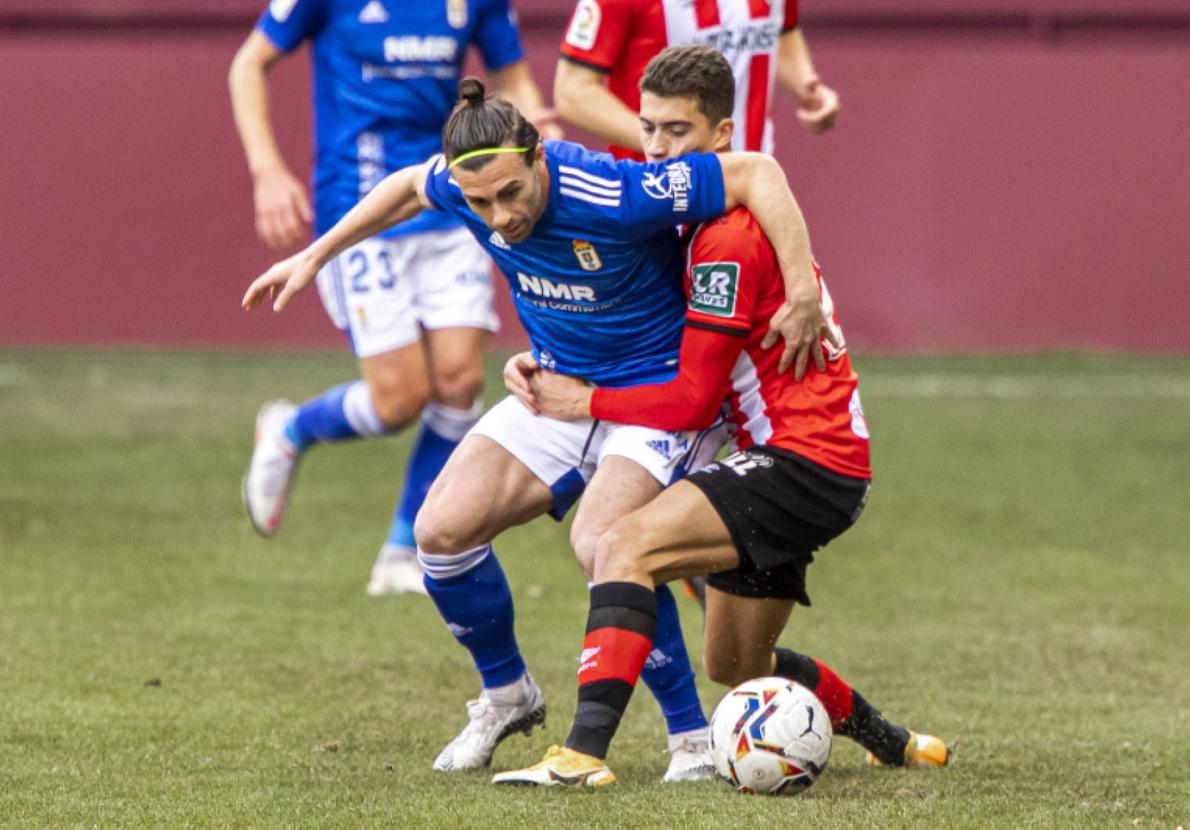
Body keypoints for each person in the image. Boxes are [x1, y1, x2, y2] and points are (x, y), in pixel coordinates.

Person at [242, 78, 833, 779]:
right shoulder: (468, 182)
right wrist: (317, 256)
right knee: (441, 532)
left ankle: (691, 739)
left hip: (652, 402)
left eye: (511, 193)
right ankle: (507, 694)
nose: (499, 216)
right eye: (480, 202)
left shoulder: (615, 191)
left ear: (540, 157)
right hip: (554, 391)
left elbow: (758, 172)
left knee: (604, 544)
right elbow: (406, 186)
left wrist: (802, 292)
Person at [492, 46, 948, 787]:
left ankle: (581, 756)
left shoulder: (728, 237)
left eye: (677, 132)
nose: (657, 148)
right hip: (817, 464)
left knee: (620, 545)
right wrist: (551, 358)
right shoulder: (692, 219)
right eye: (648, 129)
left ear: (721, 136)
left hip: (800, 461)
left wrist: (585, 403)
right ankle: (890, 740)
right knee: (735, 666)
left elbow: (691, 402)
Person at [229, 0, 558, 595]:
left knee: (459, 382)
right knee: (399, 399)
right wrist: (266, 171)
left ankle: (404, 550)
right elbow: (249, 63)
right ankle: (292, 429)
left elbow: (510, 74)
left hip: (453, 198)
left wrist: (539, 135)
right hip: (360, 208)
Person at [556, 0, 839, 161]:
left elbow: (780, 31)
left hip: (753, 181)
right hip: (659, 195)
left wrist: (806, 83)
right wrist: (666, 142)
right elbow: (573, 92)